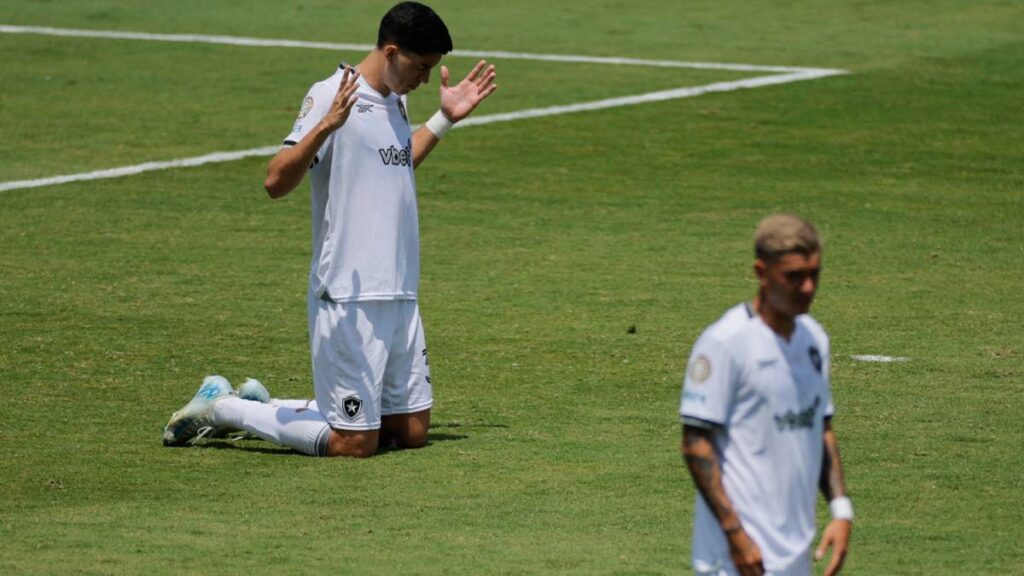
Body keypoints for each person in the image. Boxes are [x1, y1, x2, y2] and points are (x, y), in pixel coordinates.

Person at [162, 1, 497, 458]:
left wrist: (443, 120)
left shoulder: (395, 101)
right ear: (393, 51)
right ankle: (221, 408)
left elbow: (395, 164)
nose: (424, 78)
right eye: (421, 67)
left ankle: (266, 404)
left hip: (399, 292)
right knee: (355, 443)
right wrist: (325, 127)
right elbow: (275, 182)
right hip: (348, 294)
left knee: (411, 433)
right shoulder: (330, 94)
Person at [679, 214, 853, 576]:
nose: (807, 288)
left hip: (794, 554)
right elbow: (696, 442)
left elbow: (821, 426)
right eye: (793, 277)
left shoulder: (813, 339)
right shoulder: (725, 344)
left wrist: (840, 509)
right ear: (761, 272)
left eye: (814, 275)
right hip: (734, 559)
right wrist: (736, 536)